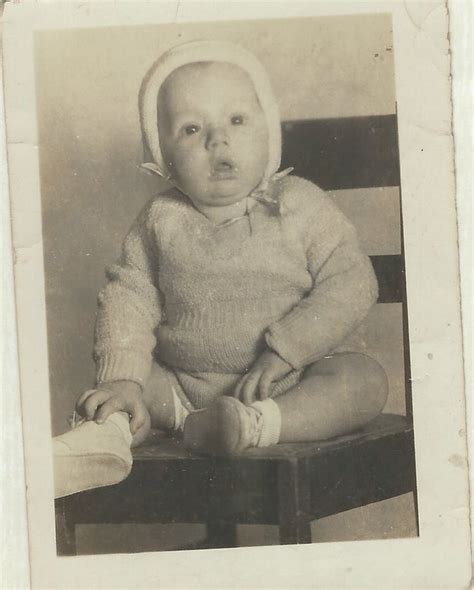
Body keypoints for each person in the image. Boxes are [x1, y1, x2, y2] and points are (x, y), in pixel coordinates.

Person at [53, 40, 388, 499]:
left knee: (362, 380)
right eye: (191, 129)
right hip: (181, 390)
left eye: (236, 119)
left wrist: (287, 349)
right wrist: (123, 378)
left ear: (268, 130)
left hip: (293, 379)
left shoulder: (300, 204)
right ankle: (104, 441)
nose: (218, 139)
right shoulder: (160, 220)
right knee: (123, 391)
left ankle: (256, 424)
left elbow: (351, 281)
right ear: (163, 155)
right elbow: (127, 297)